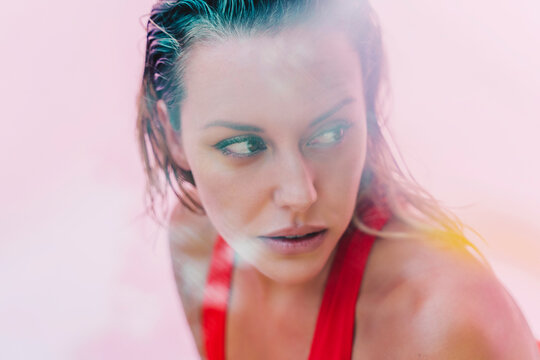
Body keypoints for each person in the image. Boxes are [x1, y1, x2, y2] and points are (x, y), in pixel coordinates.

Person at [136, 0, 540, 358]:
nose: (300, 194)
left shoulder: (438, 319)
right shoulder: (196, 244)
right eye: (243, 146)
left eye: (330, 134)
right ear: (173, 136)